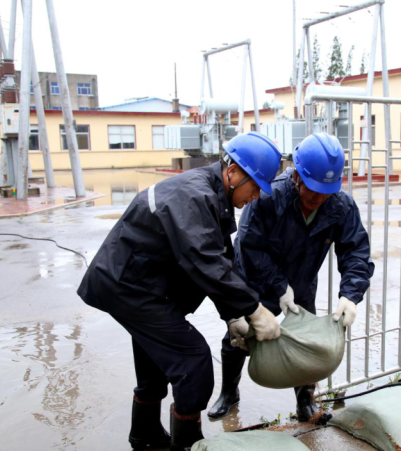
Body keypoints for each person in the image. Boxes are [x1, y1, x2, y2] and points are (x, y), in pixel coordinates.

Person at [77, 132, 283, 451]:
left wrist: (233, 316)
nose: (256, 196)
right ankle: (187, 446)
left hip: (141, 285)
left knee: (157, 364)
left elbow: (221, 259)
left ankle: (144, 438)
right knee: (193, 362)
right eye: (255, 186)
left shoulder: (210, 195)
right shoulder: (193, 194)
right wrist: (255, 310)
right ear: (232, 173)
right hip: (129, 287)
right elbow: (204, 261)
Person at [208, 133, 375, 423]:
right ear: (297, 176)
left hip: (302, 282)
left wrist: (351, 294)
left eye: (327, 192)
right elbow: (249, 246)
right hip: (257, 279)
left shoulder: (341, 206)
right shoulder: (268, 197)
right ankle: (229, 392)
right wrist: (278, 285)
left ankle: (304, 400)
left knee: (305, 340)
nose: (319, 199)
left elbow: (355, 252)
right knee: (238, 337)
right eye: (313, 191)